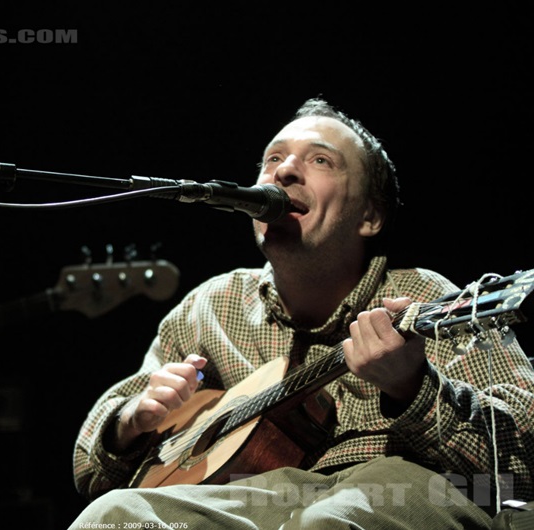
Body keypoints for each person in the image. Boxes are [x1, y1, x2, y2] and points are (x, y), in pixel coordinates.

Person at [68, 98, 534, 529]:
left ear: (370, 215)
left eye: (320, 160)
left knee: (328, 521)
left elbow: (522, 462)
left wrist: (414, 389)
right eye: (273, 158)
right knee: (110, 516)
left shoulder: (422, 295)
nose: (285, 171)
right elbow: (91, 470)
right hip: (244, 501)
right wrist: (131, 422)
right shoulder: (210, 307)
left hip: (390, 483)